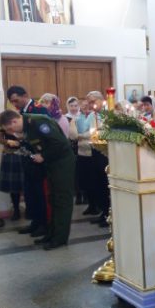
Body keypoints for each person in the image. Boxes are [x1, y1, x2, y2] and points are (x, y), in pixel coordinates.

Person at [0, 110, 75, 250]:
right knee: (53, 199)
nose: (11, 132)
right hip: (52, 164)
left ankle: (60, 238)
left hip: (62, 163)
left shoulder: (38, 123)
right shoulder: (28, 126)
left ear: (14, 121)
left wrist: (43, 156)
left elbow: (60, 144)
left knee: (62, 200)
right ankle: (51, 234)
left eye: (10, 129)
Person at [7, 85, 49, 236]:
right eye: (12, 102)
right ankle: (35, 222)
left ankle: (44, 223)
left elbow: (47, 134)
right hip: (28, 158)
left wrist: (43, 154)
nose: (15, 104)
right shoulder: (21, 113)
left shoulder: (39, 110)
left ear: (25, 95)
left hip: (39, 158)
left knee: (39, 193)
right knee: (30, 193)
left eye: (16, 100)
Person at [86, 91, 110, 227]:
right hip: (95, 150)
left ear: (101, 100)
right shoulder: (91, 116)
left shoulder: (109, 113)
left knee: (106, 184)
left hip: (107, 153)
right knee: (98, 184)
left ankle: (109, 214)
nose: (91, 105)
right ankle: (104, 211)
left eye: (93, 101)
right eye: (89, 102)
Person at [0, 119, 24, 221]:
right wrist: (7, 141)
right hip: (10, 155)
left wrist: (20, 141)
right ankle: (16, 210)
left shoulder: (22, 119)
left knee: (28, 184)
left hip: (24, 154)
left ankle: (30, 209)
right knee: (13, 186)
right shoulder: (3, 121)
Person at [64, 97, 86, 205]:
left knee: (84, 171)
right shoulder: (65, 118)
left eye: (76, 105)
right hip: (72, 147)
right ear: (68, 106)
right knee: (75, 172)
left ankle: (86, 194)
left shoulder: (82, 116)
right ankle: (78, 194)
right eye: (71, 106)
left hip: (83, 146)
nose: (73, 108)